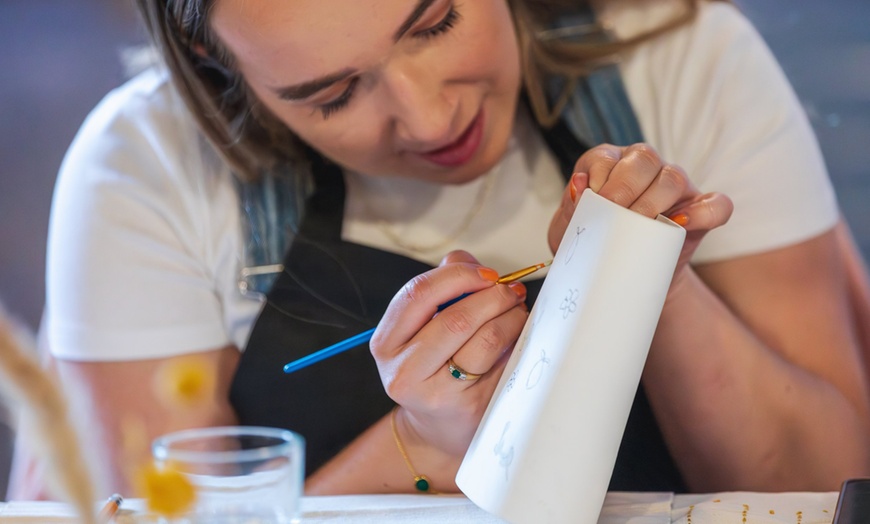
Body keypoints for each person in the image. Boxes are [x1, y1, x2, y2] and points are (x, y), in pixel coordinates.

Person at [15, 0, 870, 499]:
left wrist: (655, 282)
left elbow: (824, 484)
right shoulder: (143, 170)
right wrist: (426, 440)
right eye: (333, 93)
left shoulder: (679, 55)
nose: (430, 120)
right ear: (213, 59)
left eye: (435, 23)